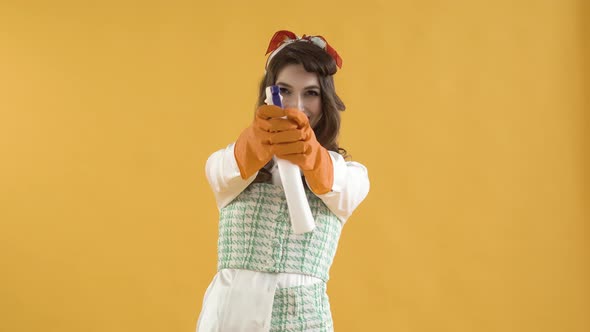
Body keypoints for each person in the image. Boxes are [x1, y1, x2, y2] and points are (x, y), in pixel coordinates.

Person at [196, 30, 370, 332]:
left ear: (325, 99)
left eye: (311, 93)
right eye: (284, 91)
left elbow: (337, 185)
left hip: (303, 321)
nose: (295, 105)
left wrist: (311, 155)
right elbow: (226, 170)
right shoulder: (228, 166)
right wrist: (255, 144)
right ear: (268, 95)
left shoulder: (349, 175)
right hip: (230, 319)